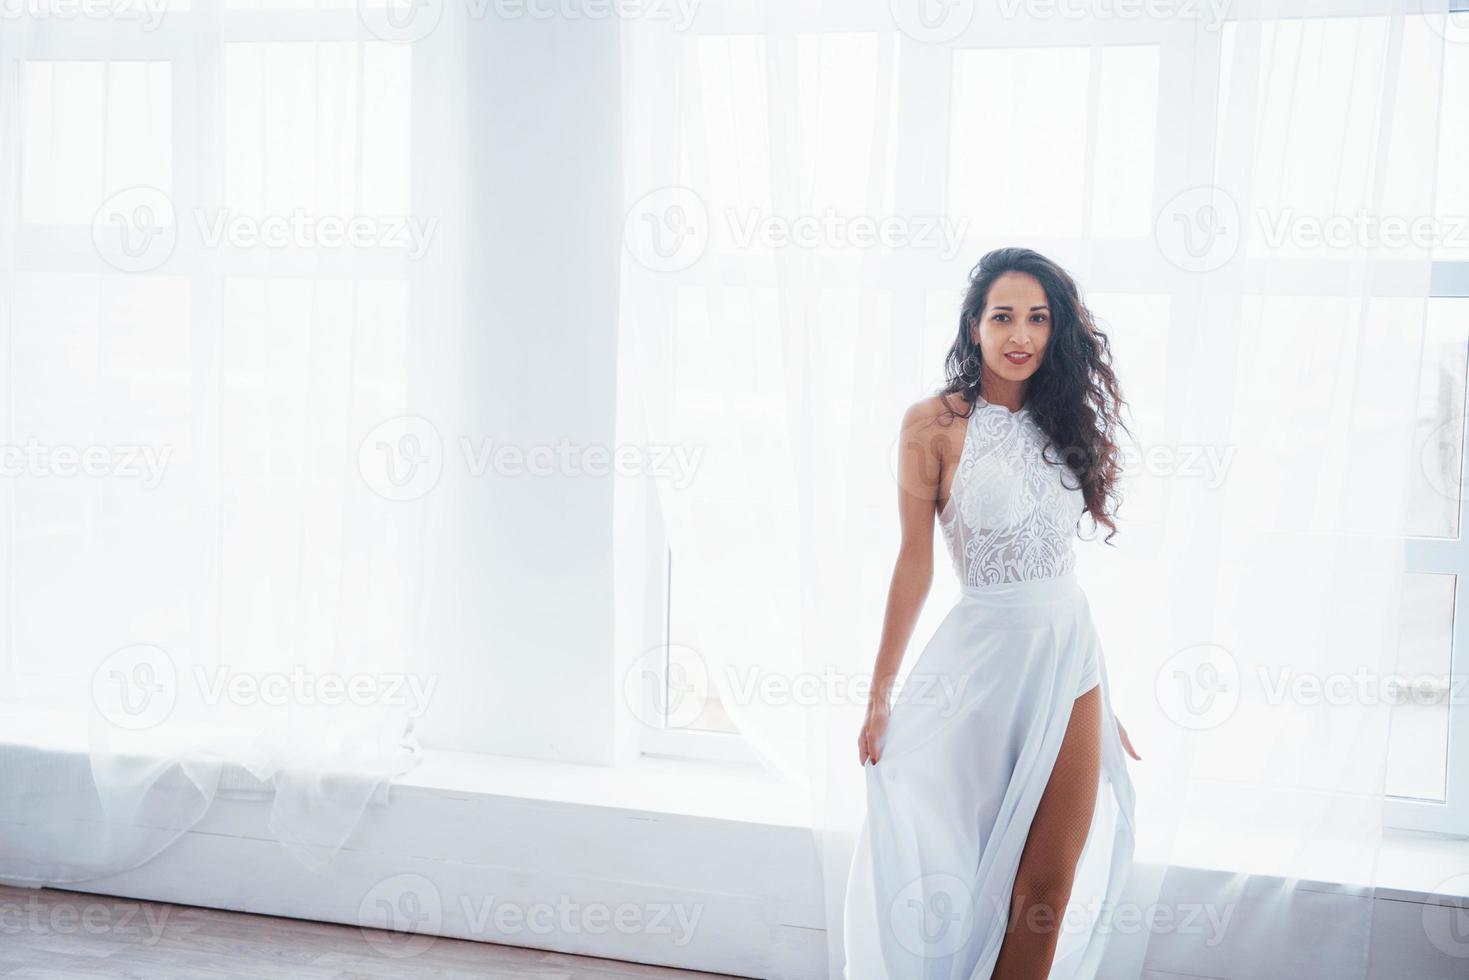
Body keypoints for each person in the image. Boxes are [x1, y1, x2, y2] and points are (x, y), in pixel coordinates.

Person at [843, 247, 1140, 980]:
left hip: (1070, 659)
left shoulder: (1062, 421)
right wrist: (879, 696)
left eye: (1037, 318)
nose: (1020, 333)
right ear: (972, 327)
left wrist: (1108, 700)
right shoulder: (933, 425)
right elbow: (914, 563)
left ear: (1056, 330)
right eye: (1002, 315)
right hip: (981, 667)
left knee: (1047, 886)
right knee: (974, 878)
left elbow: (1058, 575)